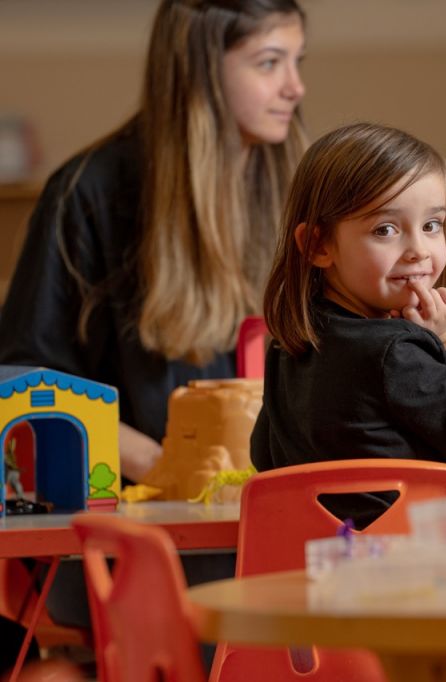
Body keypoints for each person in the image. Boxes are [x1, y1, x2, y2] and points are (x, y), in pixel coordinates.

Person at [0, 0, 307, 657]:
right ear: (198, 71)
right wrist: (169, 467)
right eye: (269, 62)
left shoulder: (297, 185)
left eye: (297, 61)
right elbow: (25, 381)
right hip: (129, 541)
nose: (295, 87)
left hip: (270, 524)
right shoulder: (87, 193)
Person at [253, 122, 446, 528]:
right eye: (385, 230)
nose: (418, 251)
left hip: (311, 563)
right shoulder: (396, 352)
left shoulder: (287, 343)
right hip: (399, 570)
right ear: (318, 245)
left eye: (432, 225)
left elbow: (264, 455)